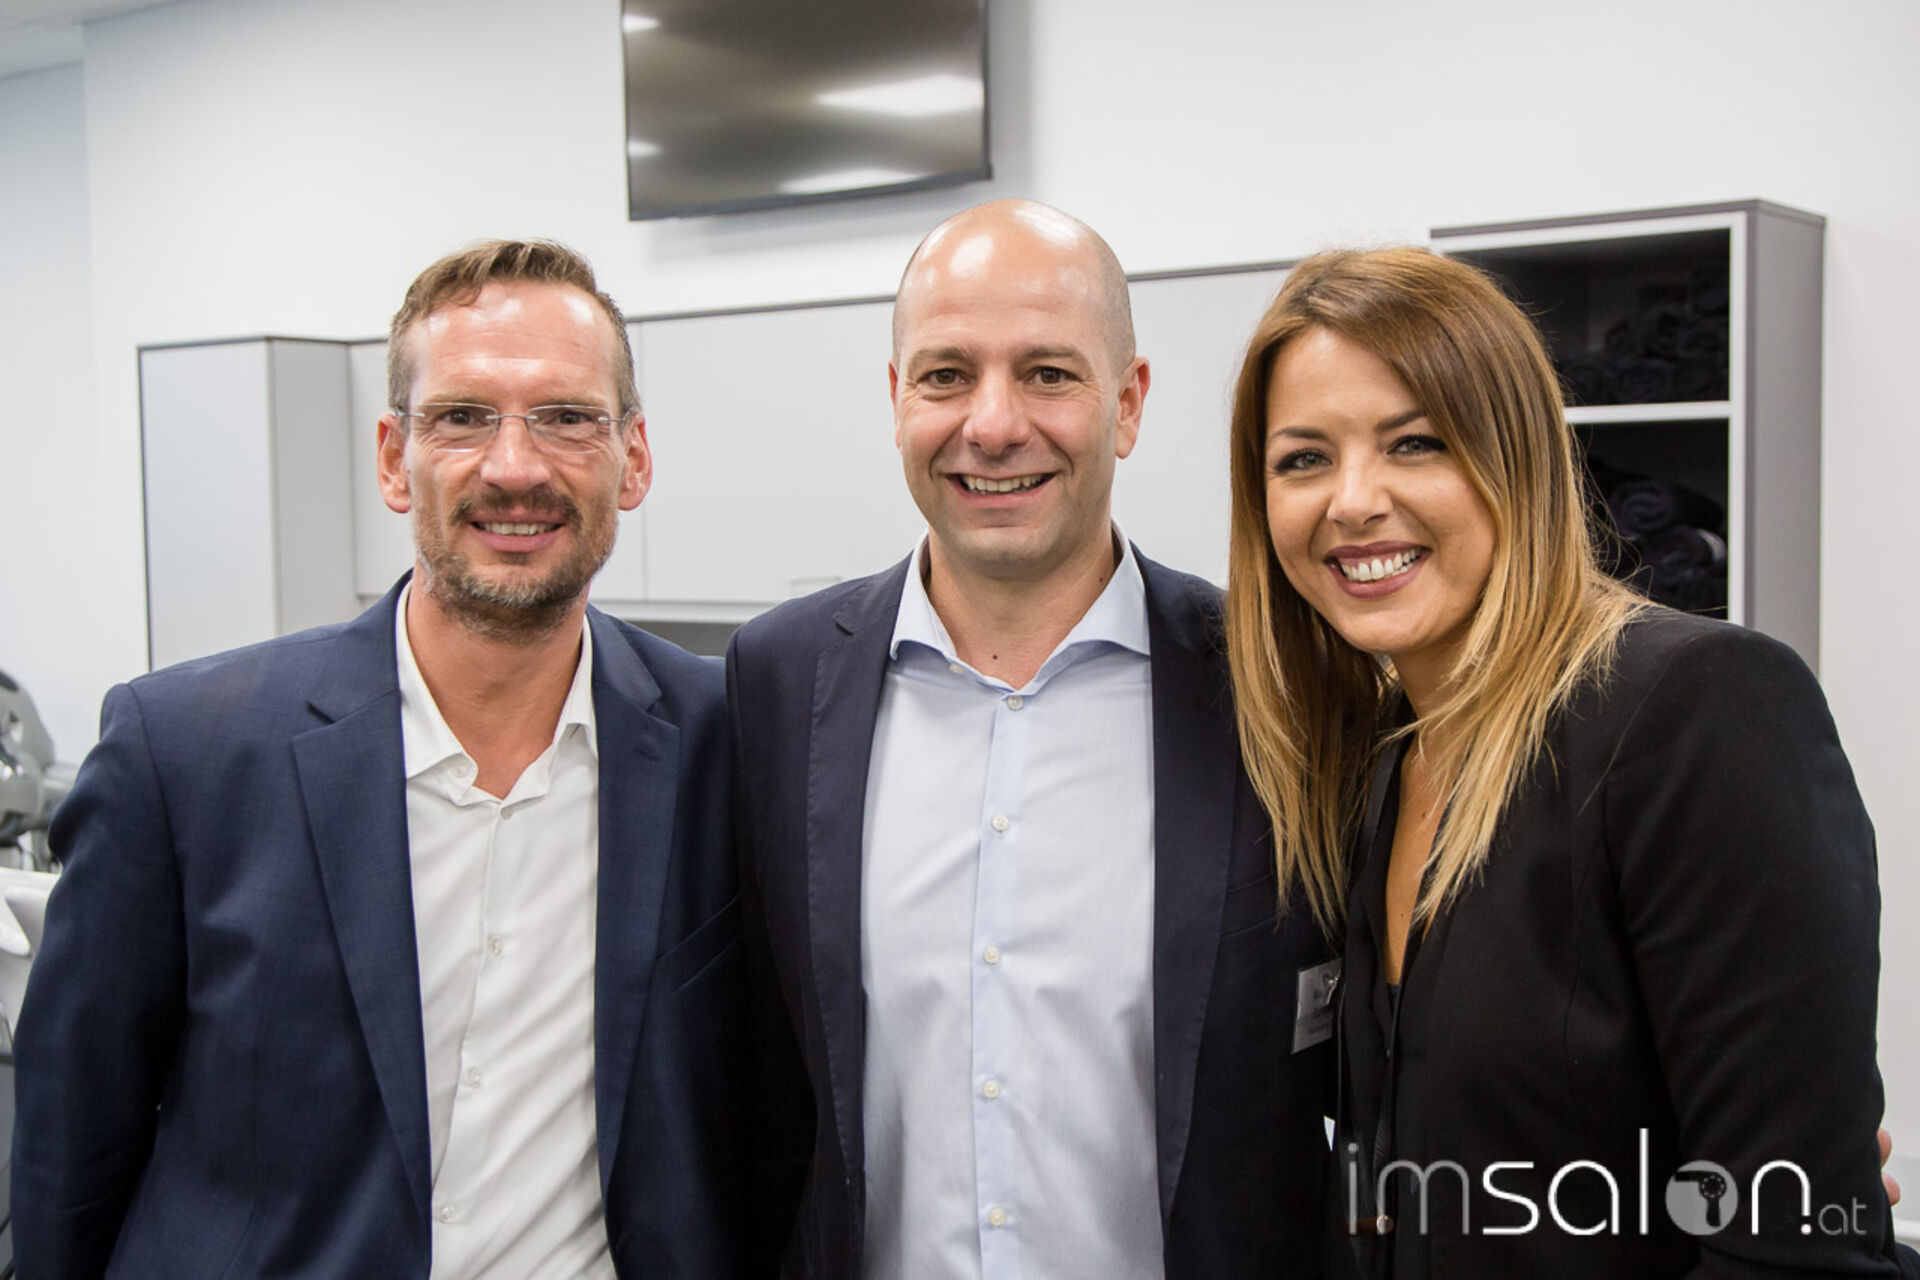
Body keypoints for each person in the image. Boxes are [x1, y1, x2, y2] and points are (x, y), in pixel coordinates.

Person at [11, 240, 746, 1278]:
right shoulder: (181, 753)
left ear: (634, 458)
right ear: (395, 459)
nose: (515, 467)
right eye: (462, 417)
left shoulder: (726, 736)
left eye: (566, 417)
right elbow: (71, 1148)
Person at [1224, 245, 1917, 1276]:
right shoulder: (1383, 757)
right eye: (1303, 459)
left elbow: (1791, 1240)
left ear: (1516, 456)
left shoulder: (1695, 706)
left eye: (1415, 443)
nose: (1353, 500)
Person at [730, 198, 1337, 1278]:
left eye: (1049, 373)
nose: (994, 424)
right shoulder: (779, 681)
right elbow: (761, 1084)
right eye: (946, 375)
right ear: (896, 397)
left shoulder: (1278, 679)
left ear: (1129, 403)